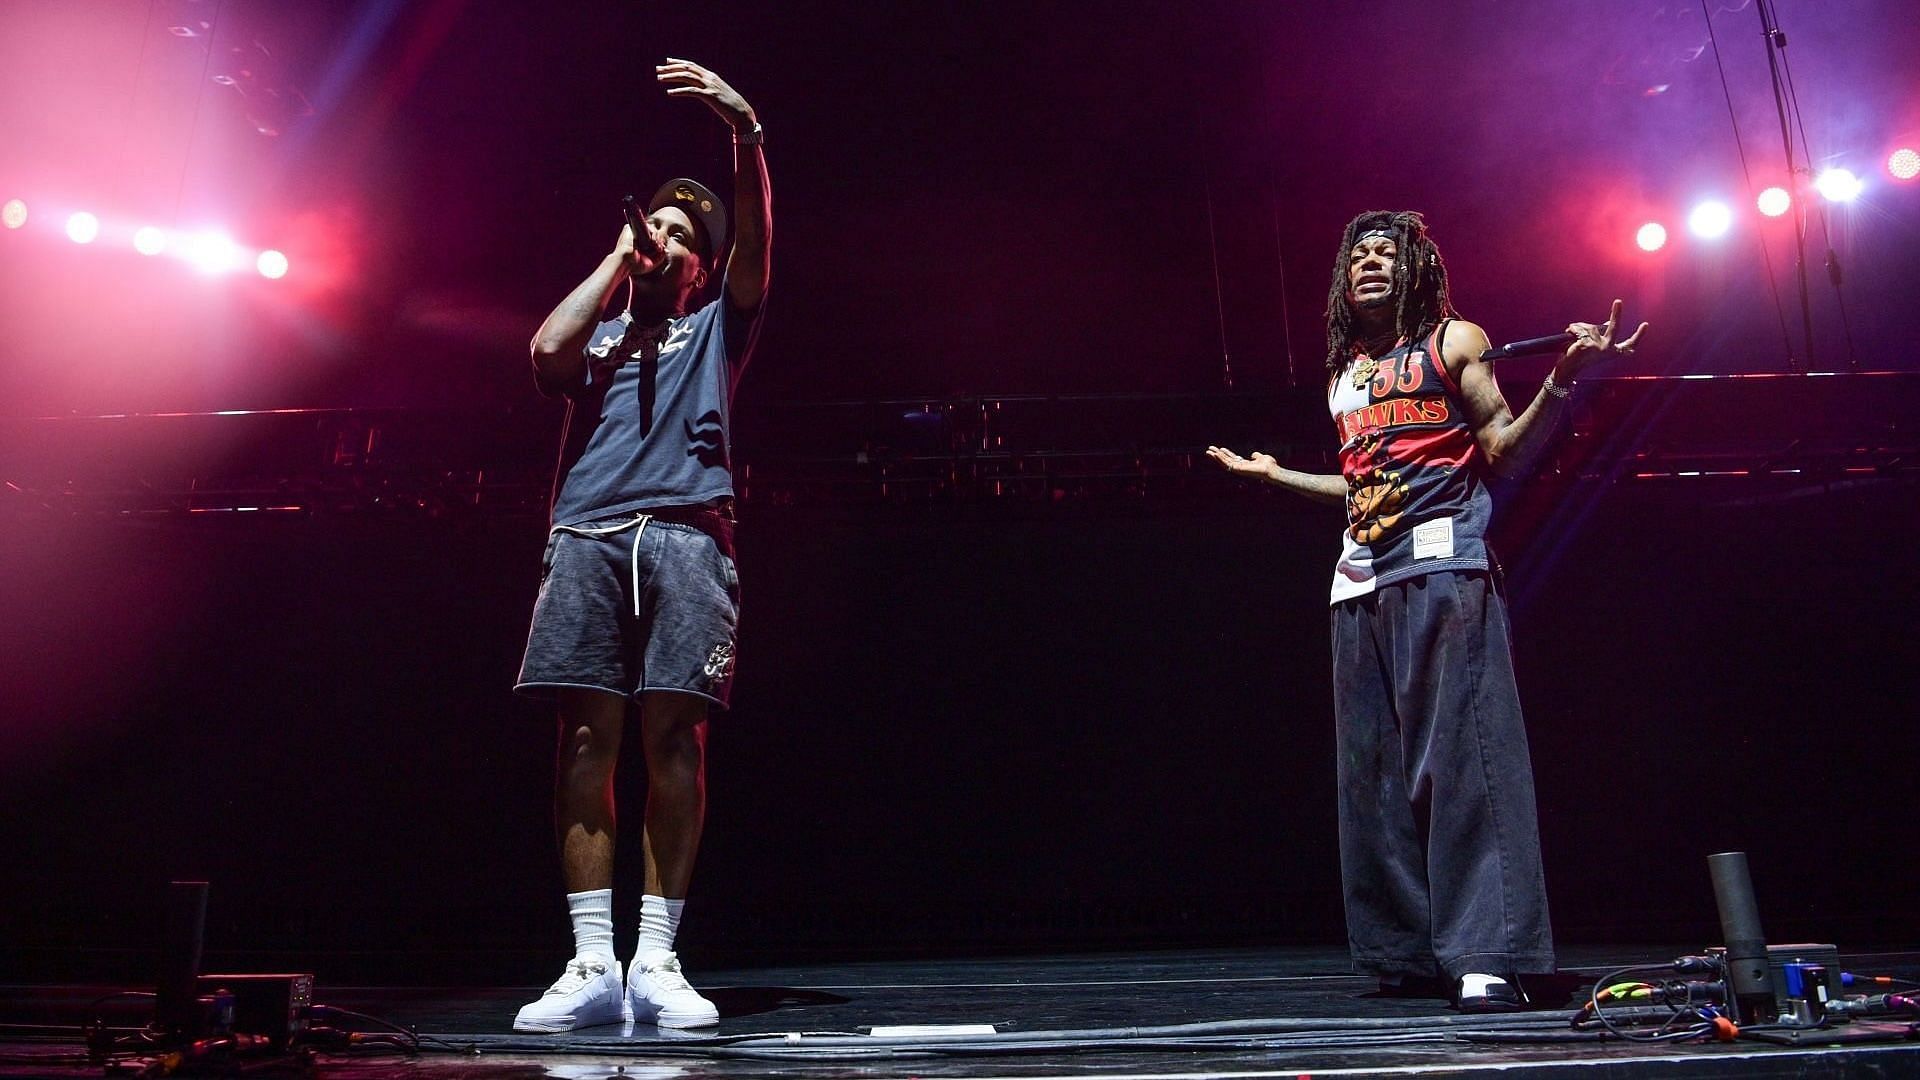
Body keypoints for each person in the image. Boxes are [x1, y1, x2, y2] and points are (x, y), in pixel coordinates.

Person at [1207, 210, 1644, 1011]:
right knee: (1372, 775)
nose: (1370, 263)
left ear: (1415, 271)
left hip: (1444, 565)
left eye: (1387, 253)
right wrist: (1277, 479)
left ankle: (1487, 953)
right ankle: (1406, 951)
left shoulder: (1456, 342)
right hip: (1359, 580)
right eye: (1359, 255)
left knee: (1464, 761)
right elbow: (1361, 487)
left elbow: (1505, 448)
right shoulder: (1346, 376)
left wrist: (1563, 380)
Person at [510, 58, 769, 1033]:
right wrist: (617, 262)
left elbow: (757, 249)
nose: (664, 237)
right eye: (655, 224)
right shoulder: (607, 332)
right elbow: (543, 356)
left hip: (688, 538)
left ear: (703, 263)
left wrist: (745, 134)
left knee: (673, 740)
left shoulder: (718, 327)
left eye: (680, 235)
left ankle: (657, 956)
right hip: (587, 533)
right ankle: (590, 965)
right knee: (586, 740)